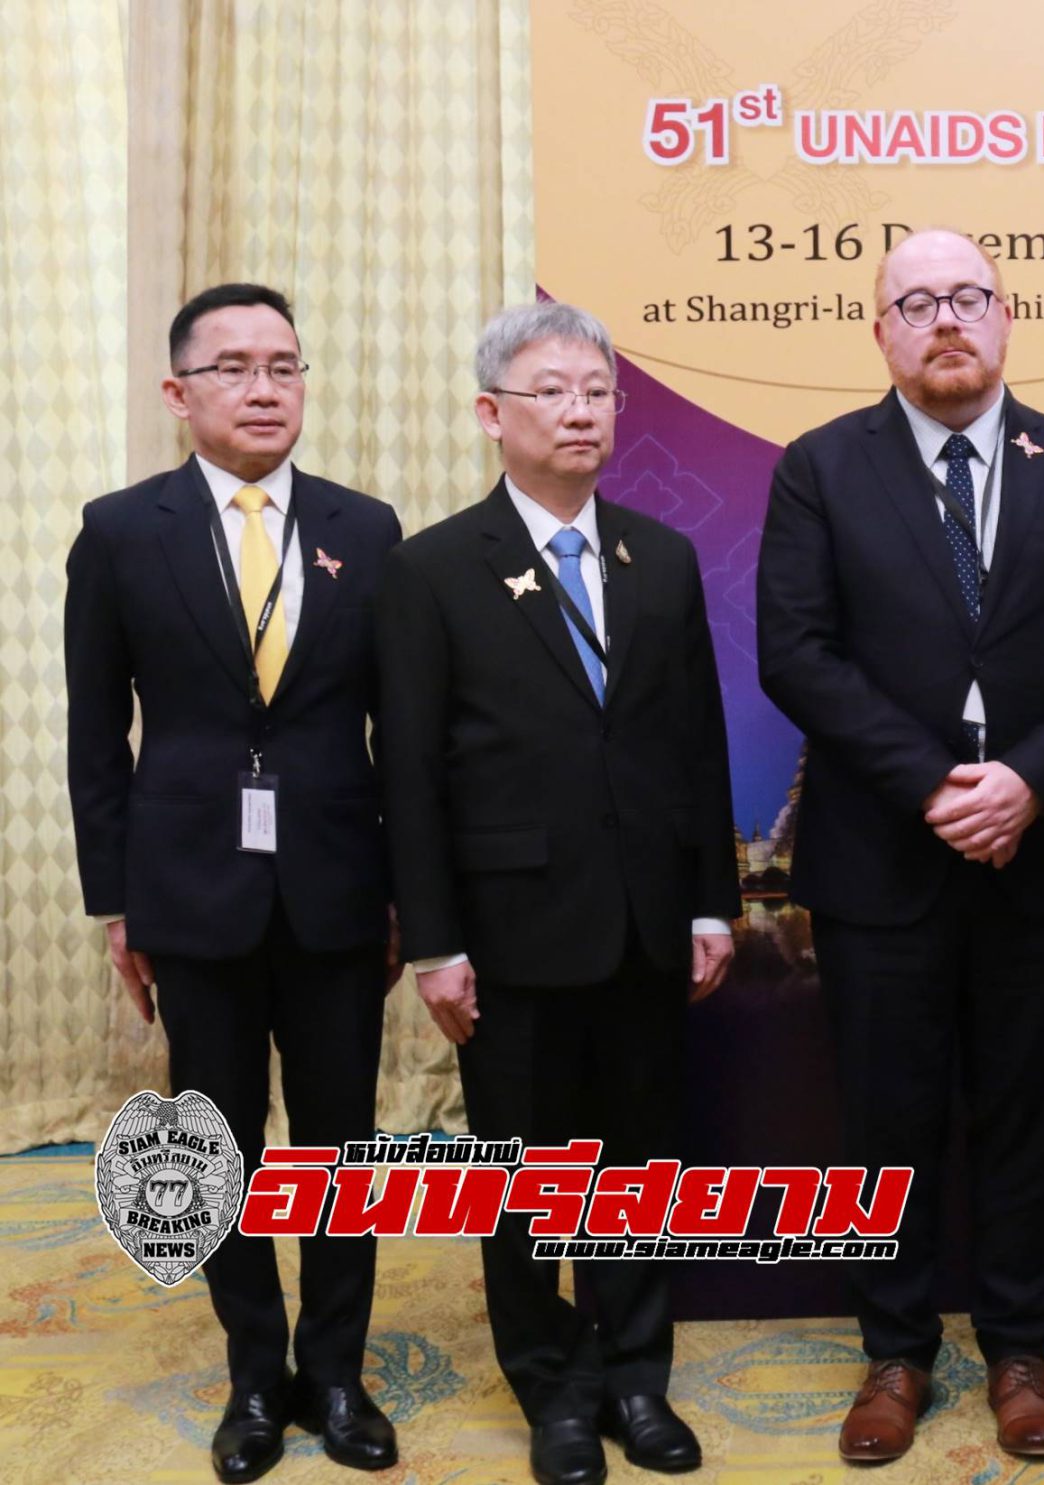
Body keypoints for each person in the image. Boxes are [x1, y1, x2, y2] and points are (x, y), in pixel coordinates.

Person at [757, 229, 1044, 1463]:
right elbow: (795, 652)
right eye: (916, 302)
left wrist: (1025, 780)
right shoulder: (820, 467)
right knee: (886, 1119)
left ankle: (1021, 1349)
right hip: (882, 863)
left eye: (968, 297)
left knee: (1029, 1111)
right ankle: (895, 1354)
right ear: (881, 332)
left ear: (1007, 317)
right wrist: (934, 787)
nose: (945, 319)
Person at [375, 302, 741, 1485]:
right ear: (493, 414)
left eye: (597, 391)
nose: (582, 410)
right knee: (530, 1175)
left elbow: (696, 746)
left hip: (644, 921)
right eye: (553, 391)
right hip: (511, 930)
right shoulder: (432, 567)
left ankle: (638, 1378)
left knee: (640, 1167)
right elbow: (412, 772)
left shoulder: (661, 556)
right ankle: (554, 1391)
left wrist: (708, 902)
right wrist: (431, 942)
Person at [67, 282, 404, 1485]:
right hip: (191, 890)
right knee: (217, 1143)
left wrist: (407, 888)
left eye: (285, 366)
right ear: (179, 394)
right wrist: (119, 901)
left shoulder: (366, 529)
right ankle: (256, 1376)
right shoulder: (120, 531)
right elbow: (95, 735)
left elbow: (400, 735)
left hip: (335, 886)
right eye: (235, 368)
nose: (265, 389)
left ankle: (341, 1373)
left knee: (338, 1145)